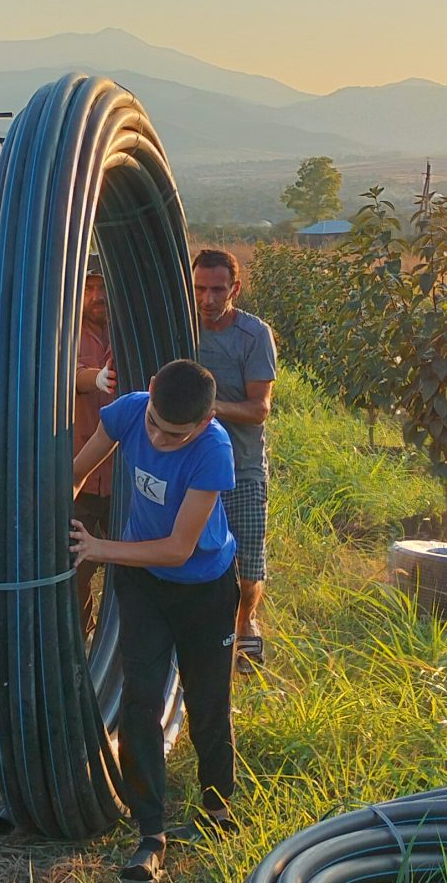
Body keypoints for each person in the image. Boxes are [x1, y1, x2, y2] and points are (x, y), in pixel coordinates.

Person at [70, 359, 239, 882]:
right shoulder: (127, 412)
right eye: (154, 427)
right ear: (148, 398)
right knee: (141, 698)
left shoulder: (214, 450)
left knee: (208, 696)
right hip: (143, 585)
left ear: (207, 419)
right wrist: (53, 517)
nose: (161, 440)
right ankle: (151, 830)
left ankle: (216, 805)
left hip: (204, 588)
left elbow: (177, 549)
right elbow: (75, 473)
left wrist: (99, 548)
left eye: (176, 435)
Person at [190, 249, 276, 673]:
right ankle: (205, 634)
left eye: (217, 290)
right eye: (199, 289)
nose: (207, 299)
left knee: (245, 569)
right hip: (191, 466)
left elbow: (259, 408)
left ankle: (246, 621)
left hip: (240, 466)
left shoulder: (253, 335)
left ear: (235, 289)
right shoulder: (182, 328)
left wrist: (208, 409)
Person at [70, 257, 119, 624]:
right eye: (88, 288)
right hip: (80, 475)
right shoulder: (65, 331)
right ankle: (79, 645)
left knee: (129, 572)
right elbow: (64, 374)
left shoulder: (130, 330)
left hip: (124, 477)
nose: (97, 296)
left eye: (103, 287)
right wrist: (94, 379)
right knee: (75, 571)